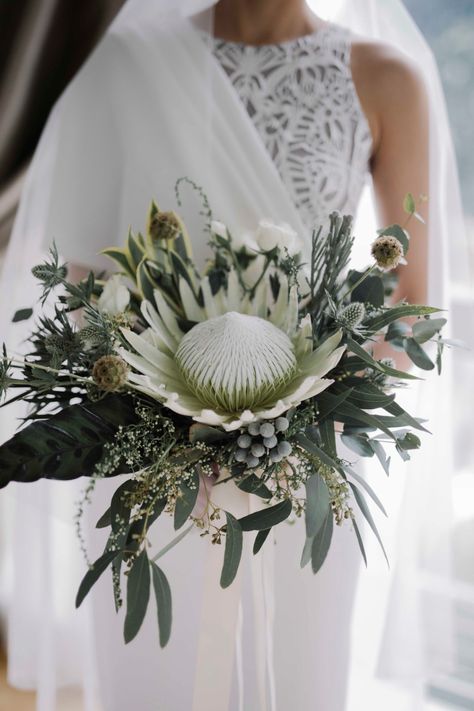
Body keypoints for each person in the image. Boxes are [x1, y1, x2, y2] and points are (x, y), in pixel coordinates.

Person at [0, 1, 466, 710]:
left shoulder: (385, 76)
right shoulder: (129, 63)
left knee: (297, 676)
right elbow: (80, 271)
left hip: (308, 469)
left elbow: (413, 311)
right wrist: (161, 401)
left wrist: (305, 424)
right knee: (151, 673)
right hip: (155, 464)